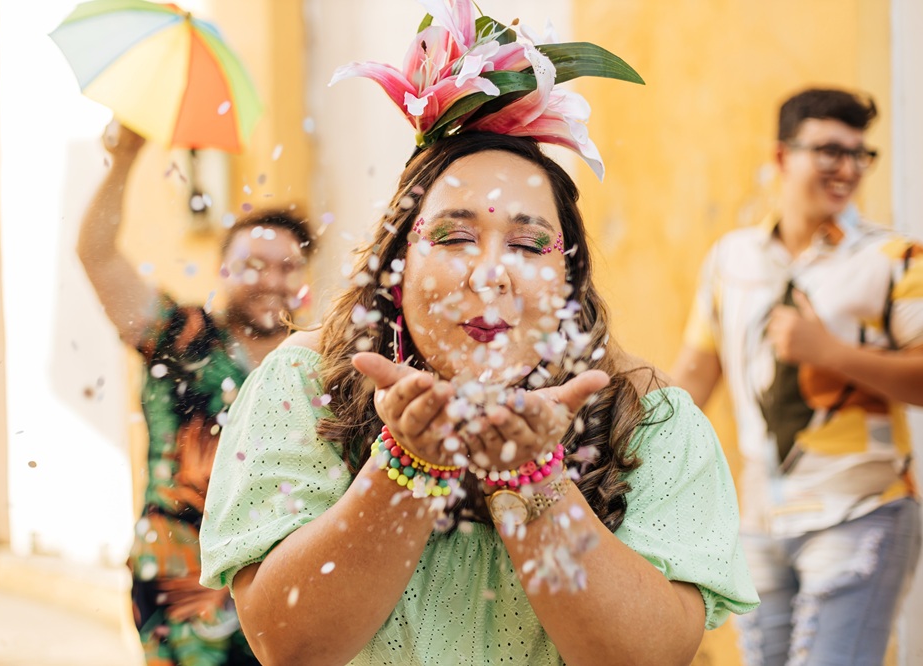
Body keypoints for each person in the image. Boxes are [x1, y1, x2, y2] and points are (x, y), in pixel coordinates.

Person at [199, 3, 758, 664]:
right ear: (395, 263)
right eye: (455, 235)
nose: (490, 273)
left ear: (568, 280)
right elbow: (288, 644)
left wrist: (534, 481)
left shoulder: (652, 420)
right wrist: (406, 468)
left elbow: (646, 656)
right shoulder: (303, 388)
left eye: (528, 244)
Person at [672, 88, 923, 665]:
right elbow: (692, 383)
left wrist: (831, 352)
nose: (848, 168)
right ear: (782, 156)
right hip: (760, 519)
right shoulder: (729, 259)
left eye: (860, 155)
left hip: (861, 508)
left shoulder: (892, 258)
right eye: (830, 150)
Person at [77, 122, 315, 665]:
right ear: (221, 268)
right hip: (181, 580)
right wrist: (125, 159)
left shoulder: (315, 361)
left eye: (288, 267)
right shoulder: (177, 338)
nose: (271, 280)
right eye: (253, 264)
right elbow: (96, 255)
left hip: (282, 575)